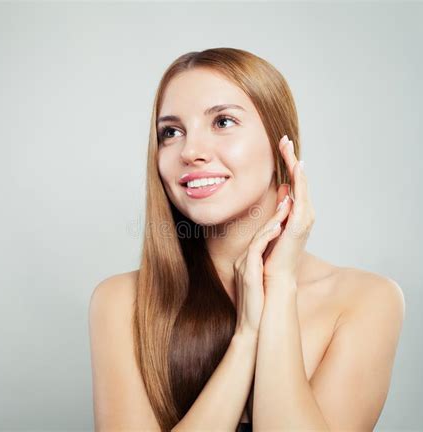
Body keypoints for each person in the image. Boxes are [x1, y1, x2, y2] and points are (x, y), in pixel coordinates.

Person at [89, 47, 405, 432]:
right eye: (171, 132)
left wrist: (279, 285)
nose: (190, 151)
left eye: (222, 122)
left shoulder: (366, 300)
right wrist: (246, 336)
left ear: (280, 143)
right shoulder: (123, 301)